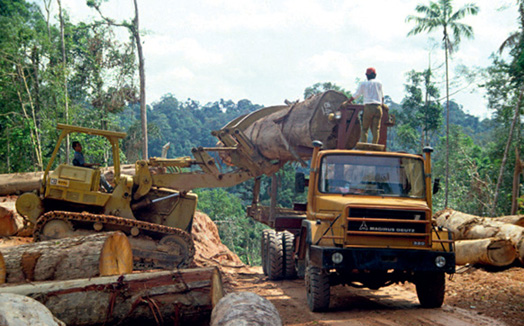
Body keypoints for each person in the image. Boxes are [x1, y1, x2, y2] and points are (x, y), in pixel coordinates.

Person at [347, 67, 384, 144]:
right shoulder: (379, 83)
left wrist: (348, 101)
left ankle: (364, 144)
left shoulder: (364, 84)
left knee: (365, 128)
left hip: (368, 107)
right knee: (376, 129)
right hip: (378, 107)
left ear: (367, 75)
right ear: (375, 75)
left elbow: (356, 95)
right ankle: (375, 145)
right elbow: (382, 96)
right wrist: (382, 106)